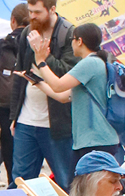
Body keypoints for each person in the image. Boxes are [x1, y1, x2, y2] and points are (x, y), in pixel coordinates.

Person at [10, 0, 76, 189]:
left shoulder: (68, 33)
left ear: (52, 9)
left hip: (57, 122)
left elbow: (68, 74)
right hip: (26, 119)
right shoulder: (28, 33)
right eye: (30, 12)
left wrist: (43, 56)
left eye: (37, 12)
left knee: (66, 181)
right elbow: (19, 75)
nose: (32, 17)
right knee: (20, 181)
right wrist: (14, 116)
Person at [32, 22, 119, 163]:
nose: (71, 43)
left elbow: (58, 85)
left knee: (87, 184)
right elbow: (62, 97)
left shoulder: (89, 63)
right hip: (91, 140)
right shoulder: (96, 63)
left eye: (72, 39)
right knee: (78, 184)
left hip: (95, 140)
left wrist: (41, 62)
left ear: (79, 41)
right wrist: (37, 82)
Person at [0, 3, 29, 186]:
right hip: (29, 104)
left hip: (4, 105)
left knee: (8, 147)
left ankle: (12, 183)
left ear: (13, 21)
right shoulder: (36, 42)